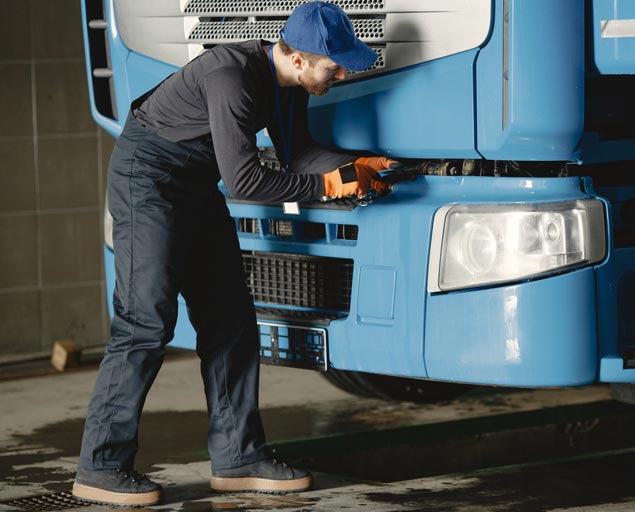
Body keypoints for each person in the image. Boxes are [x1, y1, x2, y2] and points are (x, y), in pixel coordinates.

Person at [72, 1, 397, 507]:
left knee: (231, 319)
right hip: (148, 179)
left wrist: (357, 167)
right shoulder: (232, 75)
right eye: (334, 65)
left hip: (195, 183)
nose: (341, 73)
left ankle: (239, 457)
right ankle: (101, 466)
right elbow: (244, 180)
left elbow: (301, 157)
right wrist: (329, 187)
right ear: (299, 59)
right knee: (145, 320)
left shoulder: (286, 85)